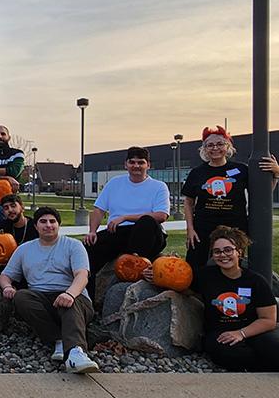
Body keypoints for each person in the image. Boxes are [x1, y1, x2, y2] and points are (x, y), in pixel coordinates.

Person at [0, 207, 99, 374]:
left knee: (69, 304)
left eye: (52, 221)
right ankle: (58, 339)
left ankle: (75, 353)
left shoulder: (74, 246)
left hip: (74, 296)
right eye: (43, 221)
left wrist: (69, 294)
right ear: (36, 226)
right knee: (21, 297)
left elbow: (82, 275)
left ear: (59, 225)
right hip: (41, 299)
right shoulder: (24, 249)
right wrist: (7, 287)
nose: (48, 225)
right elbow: (5, 276)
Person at [182, 126, 279, 270]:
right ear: (204, 149)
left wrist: (276, 174)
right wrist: (190, 228)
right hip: (203, 225)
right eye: (210, 145)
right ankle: (196, 292)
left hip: (235, 224)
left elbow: (261, 195)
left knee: (232, 263)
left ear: (228, 147)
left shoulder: (241, 170)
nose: (215, 148)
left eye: (220, 144)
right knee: (196, 265)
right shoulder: (197, 173)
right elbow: (189, 202)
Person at [84, 146, 170, 299]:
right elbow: (98, 209)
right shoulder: (114, 183)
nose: (136, 166)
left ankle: (138, 265)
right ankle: (87, 300)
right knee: (87, 250)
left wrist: (125, 217)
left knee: (146, 222)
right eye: (132, 162)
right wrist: (92, 231)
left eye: (141, 162)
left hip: (148, 234)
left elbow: (161, 215)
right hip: (118, 232)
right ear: (126, 164)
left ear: (148, 165)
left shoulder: (159, 186)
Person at [191, 226, 279, 371]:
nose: (223, 255)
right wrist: (153, 272)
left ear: (239, 252)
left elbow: (268, 320)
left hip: (253, 330)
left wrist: (241, 333)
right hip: (220, 333)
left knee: (274, 349)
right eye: (217, 251)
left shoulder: (255, 281)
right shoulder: (204, 276)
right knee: (232, 355)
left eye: (228, 250)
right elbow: (178, 281)